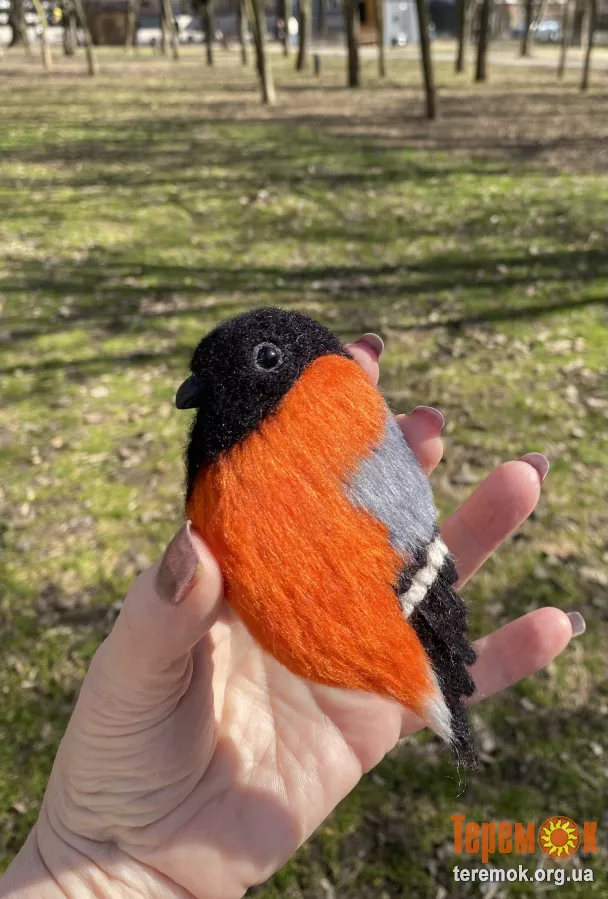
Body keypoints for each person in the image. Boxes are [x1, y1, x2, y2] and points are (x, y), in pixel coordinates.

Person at [0, 334, 582, 899]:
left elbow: (405, 575)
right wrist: (101, 869)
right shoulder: (233, 471)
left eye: (262, 357)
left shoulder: (326, 426)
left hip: (402, 635)